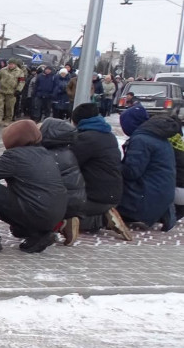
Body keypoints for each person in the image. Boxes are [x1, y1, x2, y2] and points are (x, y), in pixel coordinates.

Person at [0, 119, 67, 254]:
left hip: (36, 212)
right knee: (17, 229)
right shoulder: (45, 153)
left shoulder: (15, 156)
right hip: (54, 215)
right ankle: (39, 235)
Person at [68, 102, 130, 240]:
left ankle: (69, 223)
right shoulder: (109, 136)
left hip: (94, 198)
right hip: (114, 194)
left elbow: (69, 164)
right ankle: (106, 214)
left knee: (59, 200)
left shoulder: (85, 139)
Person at [118, 106, 177, 231]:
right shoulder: (157, 137)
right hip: (162, 195)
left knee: (106, 182)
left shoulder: (141, 140)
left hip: (146, 199)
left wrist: (113, 164)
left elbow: (131, 172)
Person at [38, 118, 86, 245]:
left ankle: (59, 224)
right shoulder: (67, 152)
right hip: (76, 200)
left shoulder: (46, 155)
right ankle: (64, 221)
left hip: (60, 204)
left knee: (22, 226)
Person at [0, 58, 24, 126]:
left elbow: (22, 82)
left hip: (12, 92)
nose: (10, 65)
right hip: (1, 91)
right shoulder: (3, 70)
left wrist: (18, 90)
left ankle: (8, 120)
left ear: (15, 64)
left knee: (9, 107)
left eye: (12, 64)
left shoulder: (20, 72)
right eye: (9, 64)